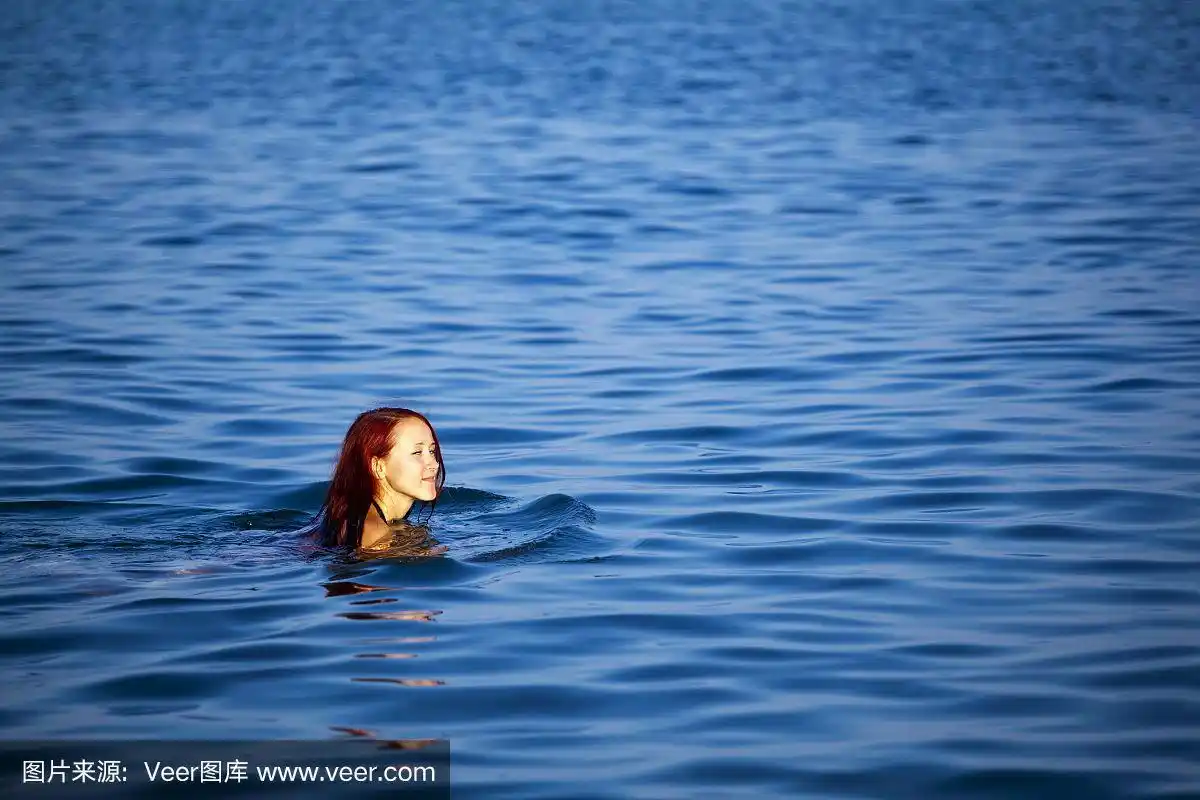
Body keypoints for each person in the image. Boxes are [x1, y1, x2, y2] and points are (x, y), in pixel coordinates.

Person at [311, 407, 446, 551]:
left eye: (432, 451)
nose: (434, 463)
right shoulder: (374, 534)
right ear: (378, 467)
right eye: (417, 452)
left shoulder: (357, 515)